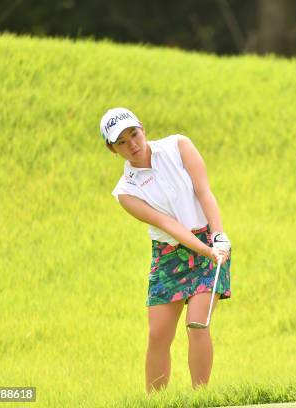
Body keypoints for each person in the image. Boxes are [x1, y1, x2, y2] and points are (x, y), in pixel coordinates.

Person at [99, 107, 232, 393]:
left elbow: (204, 192)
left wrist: (218, 236)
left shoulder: (179, 146)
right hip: (170, 255)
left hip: (209, 241)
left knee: (197, 324)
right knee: (158, 335)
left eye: (133, 134)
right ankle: (156, 402)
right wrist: (205, 250)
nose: (132, 144)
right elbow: (167, 224)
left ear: (142, 128)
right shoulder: (126, 191)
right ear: (112, 149)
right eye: (121, 142)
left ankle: (201, 398)